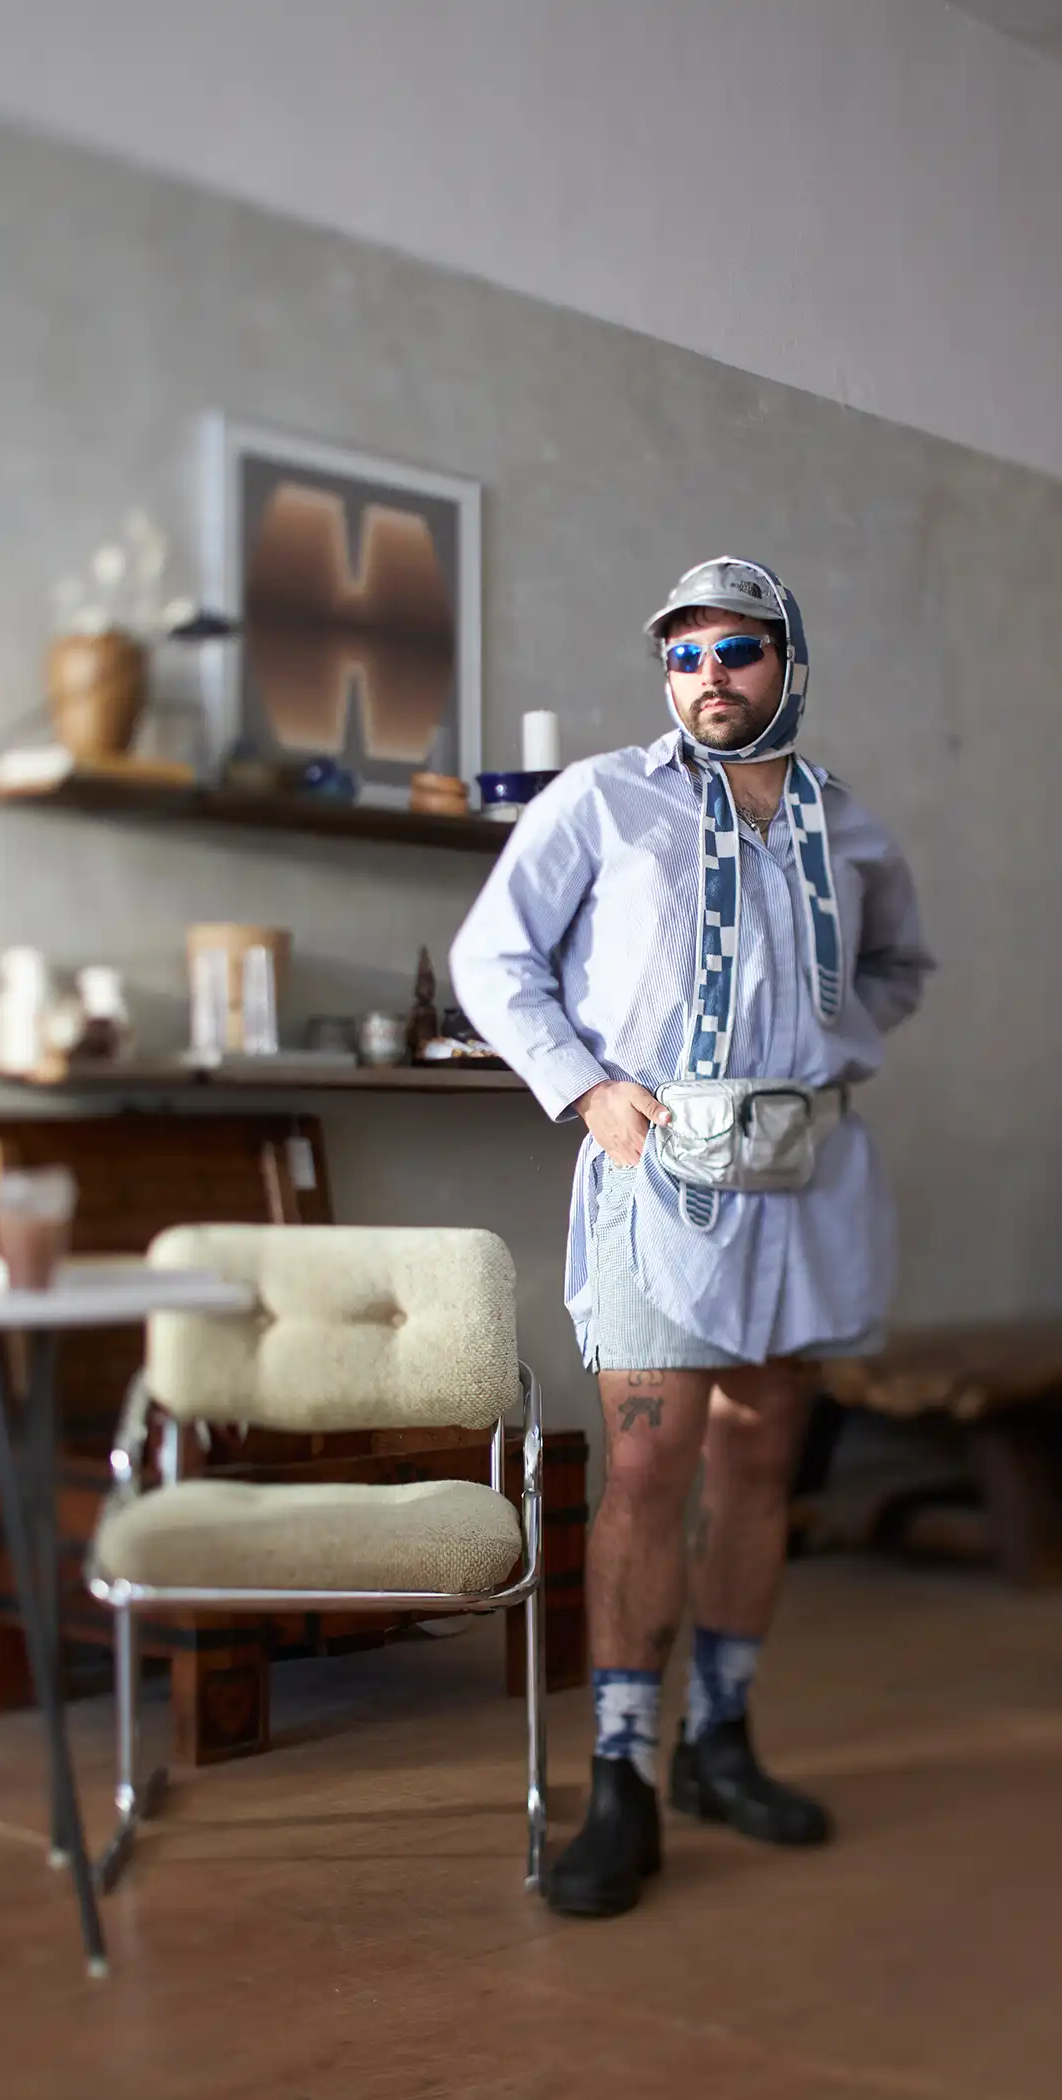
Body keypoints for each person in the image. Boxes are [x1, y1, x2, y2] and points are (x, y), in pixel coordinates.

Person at [450, 559, 932, 1919]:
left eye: (737, 649)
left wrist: (825, 1052)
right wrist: (586, 1088)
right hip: (663, 1178)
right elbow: (493, 959)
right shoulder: (603, 798)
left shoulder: (849, 823)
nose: (708, 675)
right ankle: (621, 1777)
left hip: (808, 1184)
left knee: (763, 1465)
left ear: (788, 660)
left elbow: (897, 966)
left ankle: (719, 1741)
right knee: (650, 1467)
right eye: (684, 654)